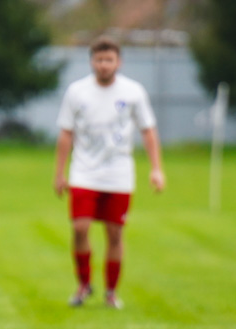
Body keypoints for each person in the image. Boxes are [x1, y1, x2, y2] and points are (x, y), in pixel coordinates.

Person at [53, 36, 165, 309]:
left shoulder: (133, 92)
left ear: (119, 62)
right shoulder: (77, 92)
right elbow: (66, 134)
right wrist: (59, 173)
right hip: (84, 172)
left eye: (109, 60)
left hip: (119, 174)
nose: (104, 65)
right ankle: (83, 285)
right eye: (99, 60)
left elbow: (148, 130)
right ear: (92, 62)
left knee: (115, 234)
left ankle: (111, 292)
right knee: (80, 228)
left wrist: (156, 169)